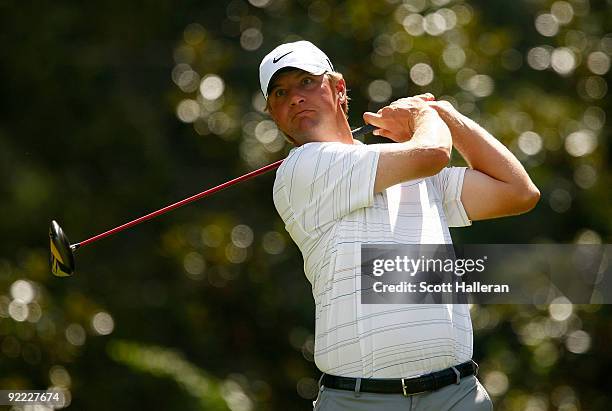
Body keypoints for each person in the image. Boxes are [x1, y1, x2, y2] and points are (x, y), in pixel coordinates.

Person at [259, 40, 539, 410]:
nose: (295, 98)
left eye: (307, 83)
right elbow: (433, 153)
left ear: (339, 88)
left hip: (457, 396)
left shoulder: (410, 170)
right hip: (360, 401)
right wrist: (423, 118)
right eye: (281, 93)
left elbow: (518, 191)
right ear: (273, 114)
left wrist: (445, 113)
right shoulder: (301, 170)